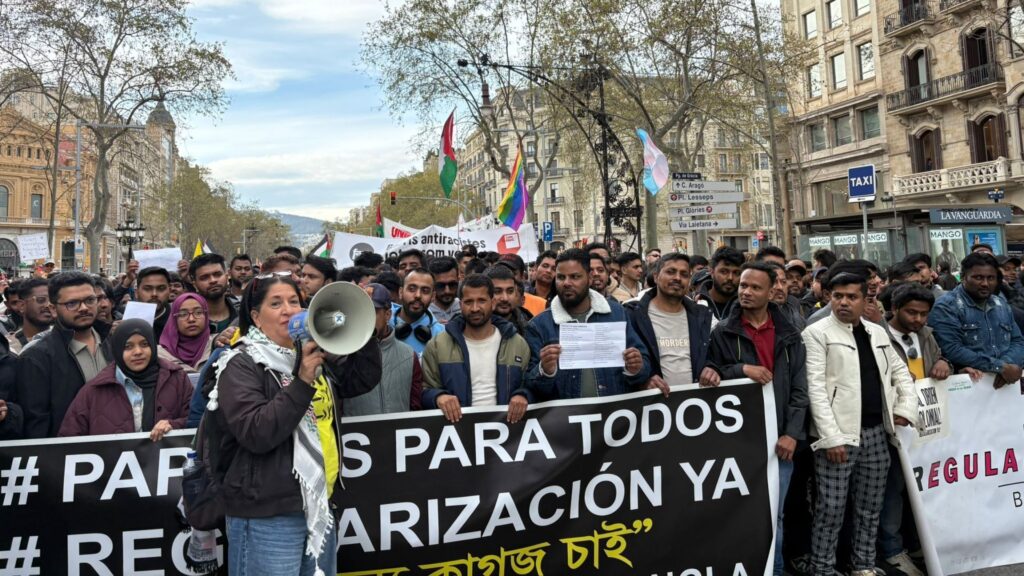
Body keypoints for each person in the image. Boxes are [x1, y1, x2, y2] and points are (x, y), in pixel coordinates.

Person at [206, 273, 381, 576]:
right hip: (266, 514)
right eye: (276, 304)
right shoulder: (240, 364)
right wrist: (301, 382)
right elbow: (257, 432)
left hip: (316, 505)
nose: (289, 309)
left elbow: (361, 378)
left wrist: (359, 321)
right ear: (256, 317)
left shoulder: (309, 354)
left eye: (294, 302)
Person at [802, 271, 918, 576]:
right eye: (837, 295)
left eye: (851, 296)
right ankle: (823, 569)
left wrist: (906, 407)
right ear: (828, 296)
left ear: (866, 298)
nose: (843, 302)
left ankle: (863, 564)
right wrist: (830, 438)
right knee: (830, 509)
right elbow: (815, 389)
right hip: (838, 437)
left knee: (870, 508)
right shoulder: (816, 332)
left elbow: (901, 372)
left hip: (877, 434)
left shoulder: (877, 332)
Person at [706, 262, 808, 576]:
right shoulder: (724, 331)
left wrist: (792, 433)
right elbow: (711, 375)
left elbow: (800, 389)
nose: (746, 292)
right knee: (737, 515)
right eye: (743, 286)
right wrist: (741, 370)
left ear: (771, 291)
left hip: (779, 442)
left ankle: (774, 570)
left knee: (774, 515)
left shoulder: (790, 334)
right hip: (738, 443)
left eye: (755, 287)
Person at [525, 249, 650, 400]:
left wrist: (636, 367)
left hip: (613, 417)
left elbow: (644, 366)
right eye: (561, 277)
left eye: (575, 277)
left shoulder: (617, 313)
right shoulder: (539, 325)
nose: (566, 283)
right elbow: (530, 386)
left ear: (590, 278)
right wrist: (544, 370)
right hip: (565, 420)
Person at [421, 274, 532, 423]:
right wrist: (438, 397)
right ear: (460, 305)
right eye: (468, 302)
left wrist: (523, 395)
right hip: (457, 433)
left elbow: (532, 385)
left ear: (492, 303)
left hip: (507, 434)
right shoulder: (437, 345)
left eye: (481, 301)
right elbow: (423, 390)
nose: (475, 308)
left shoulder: (517, 344)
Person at [59, 318, 192, 439]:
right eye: (128, 347)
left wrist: (173, 425)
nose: (138, 352)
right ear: (117, 349)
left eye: (144, 344)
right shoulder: (94, 390)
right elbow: (69, 439)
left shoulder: (177, 379)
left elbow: (197, 420)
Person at [16, 272, 111, 438]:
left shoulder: (115, 344)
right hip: (65, 457)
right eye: (72, 303)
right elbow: (36, 425)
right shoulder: (37, 358)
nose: (83, 308)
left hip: (119, 451)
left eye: (89, 300)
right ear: (53, 308)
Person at [928, 252, 1024, 386]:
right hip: (968, 387)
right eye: (978, 277)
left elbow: (1018, 341)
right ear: (963, 277)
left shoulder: (1001, 304)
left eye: (991, 278)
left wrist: (1007, 367)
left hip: (1006, 387)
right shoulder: (946, 306)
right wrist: (1000, 367)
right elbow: (951, 349)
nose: (985, 283)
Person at [624, 253, 716, 390]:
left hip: (695, 403)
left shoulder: (702, 315)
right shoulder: (632, 315)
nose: (677, 278)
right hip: (651, 404)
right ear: (655, 277)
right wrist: (644, 379)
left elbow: (711, 355)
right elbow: (623, 364)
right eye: (670, 272)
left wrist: (712, 368)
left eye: (684, 274)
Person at [343, 283, 421, 416]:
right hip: (356, 435)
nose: (366, 318)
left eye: (372, 311)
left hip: (399, 434)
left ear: (387, 314)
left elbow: (416, 406)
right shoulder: (343, 355)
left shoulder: (409, 355)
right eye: (361, 311)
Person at [389, 268, 445, 355]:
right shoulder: (384, 326)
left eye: (425, 291)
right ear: (400, 292)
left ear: (433, 297)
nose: (418, 295)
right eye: (411, 289)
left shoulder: (442, 334)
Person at [158, 293, 213, 374]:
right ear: (174, 319)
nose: (191, 319)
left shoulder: (217, 345)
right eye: (183, 314)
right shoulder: (159, 355)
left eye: (198, 312)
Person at [190, 254, 237, 334]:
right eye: (204, 277)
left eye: (217, 274)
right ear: (195, 284)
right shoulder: (188, 319)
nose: (212, 280)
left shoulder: (244, 313)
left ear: (226, 276)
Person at [694, 246, 743, 320]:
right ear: (712, 271)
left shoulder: (745, 307)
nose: (730, 278)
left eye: (736, 273)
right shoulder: (695, 303)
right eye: (724, 272)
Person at [485, 265, 533, 335]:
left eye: (510, 291)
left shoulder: (531, 324)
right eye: (497, 291)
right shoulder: (469, 326)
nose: (505, 298)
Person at [11, 278, 53, 352]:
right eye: (41, 300)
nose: (48, 305)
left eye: (52, 300)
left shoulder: (67, 341)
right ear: (22, 306)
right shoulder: (7, 347)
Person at [136, 267, 173, 338]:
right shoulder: (125, 321)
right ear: (136, 292)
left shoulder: (178, 321)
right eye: (147, 289)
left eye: (161, 288)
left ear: (170, 291)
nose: (154, 294)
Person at [427, 256, 461, 324]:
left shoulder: (466, 309)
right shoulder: (424, 313)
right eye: (440, 286)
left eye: (452, 284)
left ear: (458, 279)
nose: (447, 291)